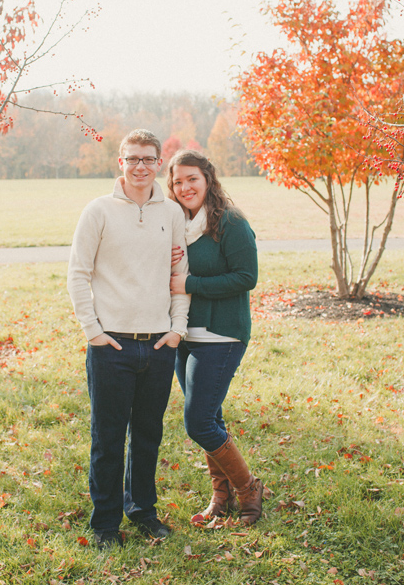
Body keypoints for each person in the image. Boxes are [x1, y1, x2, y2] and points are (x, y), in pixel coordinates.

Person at [67, 129, 190, 549]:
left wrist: (177, 329)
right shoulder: (98, 211)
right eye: (132, 158)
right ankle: (105, 523)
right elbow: (78, 273)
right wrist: (93, 331)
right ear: (120, 162)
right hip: (111, 346)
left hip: (158, 344)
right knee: (108, 437)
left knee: (148, 434)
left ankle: (142, 511)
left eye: (148, 159)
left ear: (159, 162)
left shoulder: (171, 213)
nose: (141, 166)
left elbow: (180, 278)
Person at [166, 149, 262, 525]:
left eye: (192, 178)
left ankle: (248, 488)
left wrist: (189, 283)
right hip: (184, 334)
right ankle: (220, 496)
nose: (185, 186)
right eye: (178, 181)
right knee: (212, 416)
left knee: (199, 420)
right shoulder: (177, 224)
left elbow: (246, 277)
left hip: (221, 334)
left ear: (208, 179)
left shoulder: (230, 222)